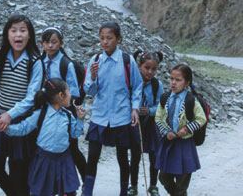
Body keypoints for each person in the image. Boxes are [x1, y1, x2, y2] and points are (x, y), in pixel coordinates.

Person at [0, 15, 43, 196]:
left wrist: (11, 114)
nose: (18, 35)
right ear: (7, 35)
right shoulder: (1, 57)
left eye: (23, 31)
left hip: (21, 121)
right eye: (14, 30)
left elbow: (31, 97)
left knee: (18, 172)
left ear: (29, 35)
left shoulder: (34, 61)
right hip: (0, 118)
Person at [82, 21, 143, 196]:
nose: (105, 42)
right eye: (102, 38)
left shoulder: (126, 60)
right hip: (100, 116)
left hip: (121, 116)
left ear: (119, 39)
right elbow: (89, 91)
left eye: (109, 38)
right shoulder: (95, 60)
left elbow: (137, 86)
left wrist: (134, 108)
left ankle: (124, 192)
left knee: (122, 157)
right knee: (93, 155)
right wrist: (93, 76)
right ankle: (88, 192)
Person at [6, 78, 86, 196]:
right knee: (42, 190)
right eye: (68, 92)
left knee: (68, 192)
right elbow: (23, 128)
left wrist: (80, 119)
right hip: (44, 159)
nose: (71, 95)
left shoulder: (68, 115)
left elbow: (75, 133)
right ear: (61, 95)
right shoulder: (40, 114)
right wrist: (7, 128)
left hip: (64, 159)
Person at [40, 27, 87, 182]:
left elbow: (73, 92)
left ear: (61, 43)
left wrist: (58, 102)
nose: (50, 46)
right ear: (42, 44)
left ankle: (87, 181)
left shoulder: (66, 65)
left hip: (64, 111)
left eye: (54, 42)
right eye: (46, 42)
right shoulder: (40, 63)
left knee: (72, 148)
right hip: (46, 112)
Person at [155, 64, 206, 196]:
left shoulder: (191, 100)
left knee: (182, 182)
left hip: (185, 145)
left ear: (187, 83)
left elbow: (201, 119)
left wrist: (187, 129)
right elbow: (158, 118)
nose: (173, 83)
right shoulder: (165, 98)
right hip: (169, 144)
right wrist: (166, 133)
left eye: (178, 80)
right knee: (164, 177)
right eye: (171, 79)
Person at [128, 51, 164, 196]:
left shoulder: (156, 85)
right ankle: (133, 185)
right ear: (139, 66)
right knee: (135, 155)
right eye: (146, 68)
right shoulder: (132, 82)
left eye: (154, 69)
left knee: (154, 155)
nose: (150, 72)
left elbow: (161, 107)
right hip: (135, 123)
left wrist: (149, 111)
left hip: (150, 123)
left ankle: (153, 185)